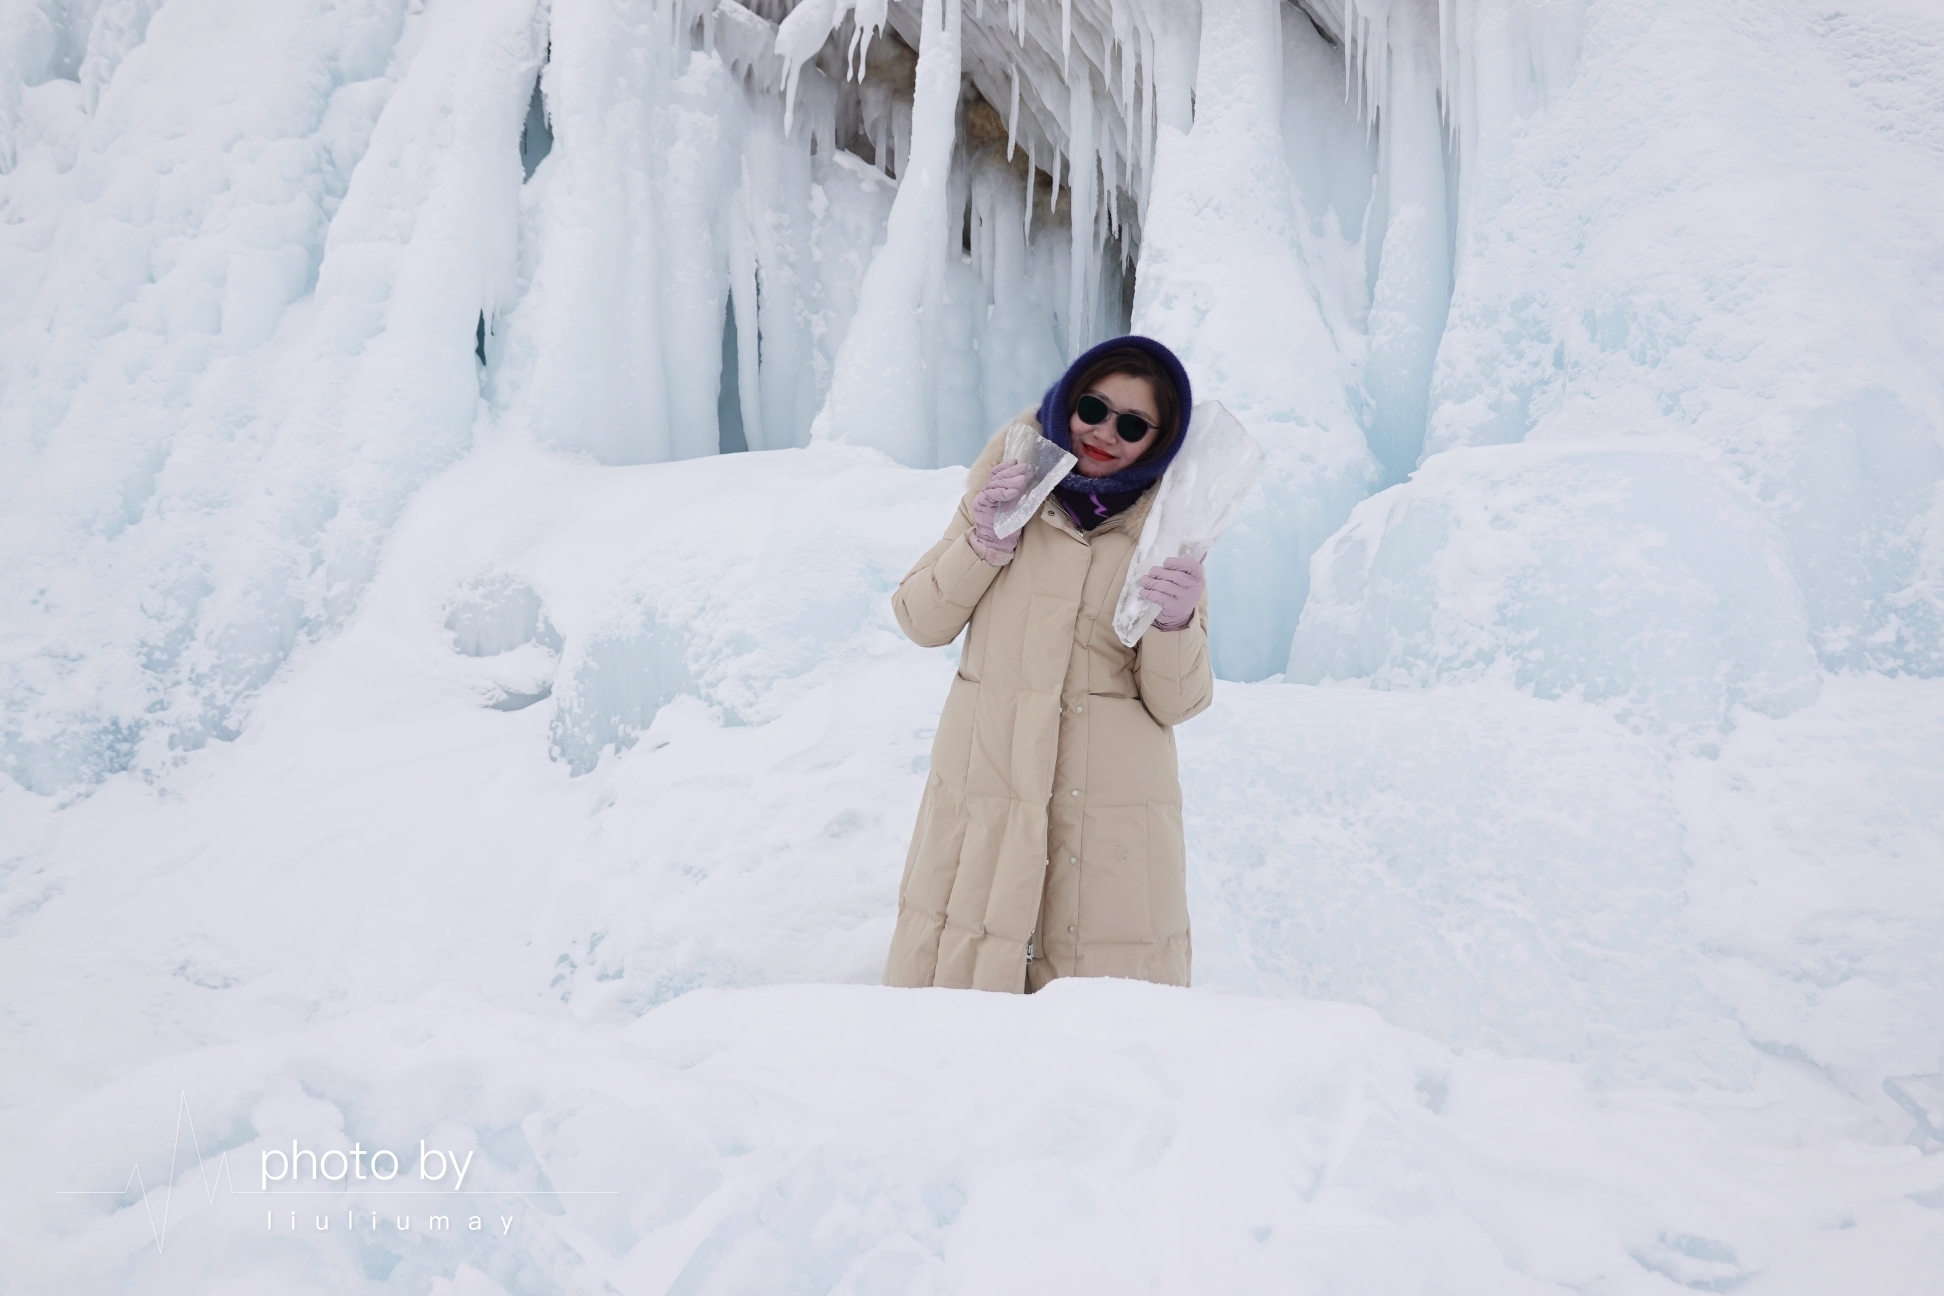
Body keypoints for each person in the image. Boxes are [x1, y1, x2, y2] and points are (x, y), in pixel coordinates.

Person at [881, 335, 1214, 994]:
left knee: (1095, 1047)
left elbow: (1178, 702)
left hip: (1113, 815)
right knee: (953, 1029)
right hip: (992, 781)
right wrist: (983, 543)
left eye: (1132, 425)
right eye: (1093, 408)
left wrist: (1176, 623)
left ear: (1161, 440)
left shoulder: (1171, 530)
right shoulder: (1005, 487)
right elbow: (921, 620)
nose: (1103, 433)